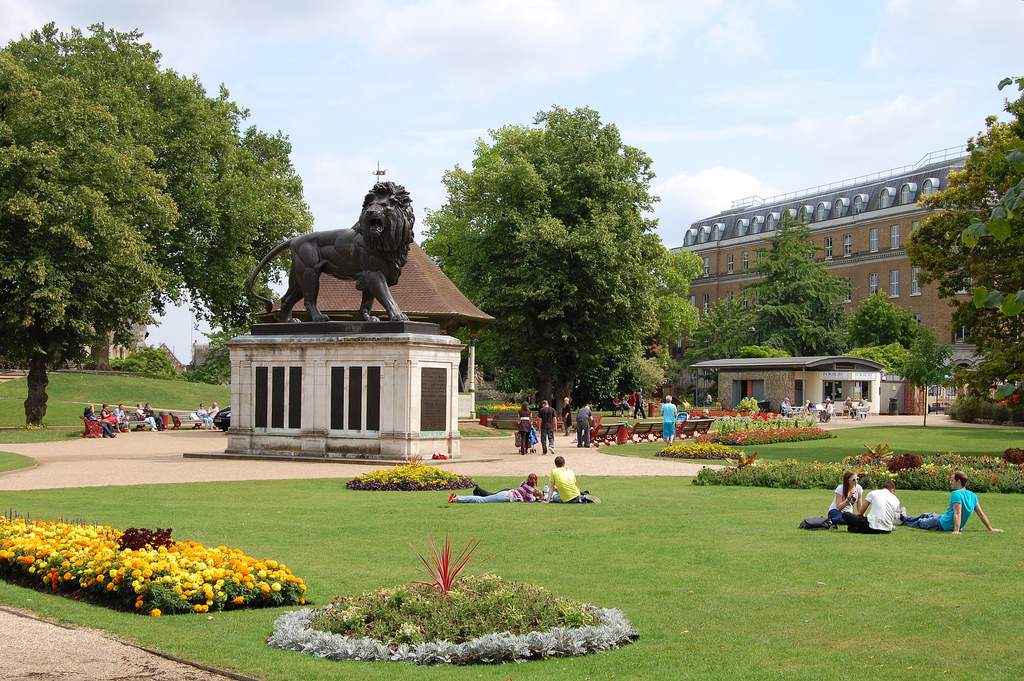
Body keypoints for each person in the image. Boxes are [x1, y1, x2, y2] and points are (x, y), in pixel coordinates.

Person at [904, 471, 1003, 533]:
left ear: (958, 482)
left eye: (952, 480)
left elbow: (957, 513)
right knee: (927, 514)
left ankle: (902, 521)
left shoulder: (956, 494)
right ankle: (904, 517)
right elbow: (981, 514)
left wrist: (956, 530)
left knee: (920, 522)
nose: (950, 482)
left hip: (942, 524)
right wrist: (990, 528)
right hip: (943, 518)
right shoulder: (973, 495)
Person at [449, 474, 544, 503]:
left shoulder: (524, 483)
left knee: (486, 497)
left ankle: (458, 498)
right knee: (483, 500)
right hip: (507, 496)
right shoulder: (530, 489)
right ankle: (457, 498)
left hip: (508, 493)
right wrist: (537, 498)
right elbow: (530, 499)